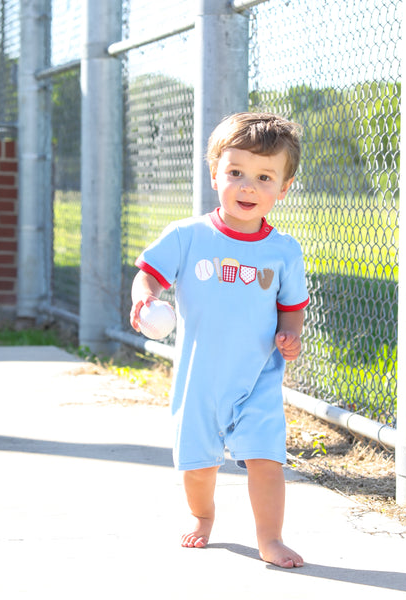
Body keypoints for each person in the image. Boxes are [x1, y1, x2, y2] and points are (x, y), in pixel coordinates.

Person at [129, 112, 309, 569]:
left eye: (264, 177)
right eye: (235, 173)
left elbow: (292, 309)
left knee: (266, 460)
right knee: (197, 465)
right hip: (200, 378)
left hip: (257, 379)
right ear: (215, 175)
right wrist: (145, 302)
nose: (248, 187)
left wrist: (291, 334)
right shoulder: (189, 237)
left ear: (283, 189)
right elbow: (147, 277)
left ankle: (270, 539)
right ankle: (202, 517)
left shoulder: (284, 250)